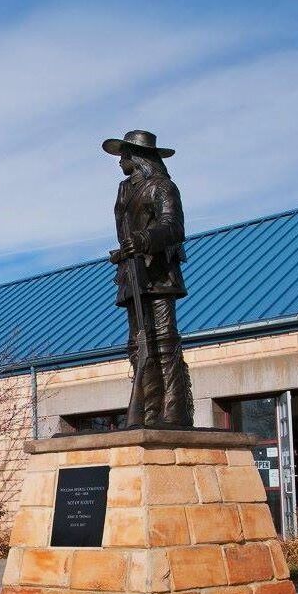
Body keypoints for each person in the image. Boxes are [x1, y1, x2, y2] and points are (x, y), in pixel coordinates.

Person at [104, 130, 194, 428]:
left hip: (158, 273)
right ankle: (148, 411)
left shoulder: (163, 186)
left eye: (125, 155)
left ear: (138, 157)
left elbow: (174, 227)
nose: (120, 161)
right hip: (132, 275)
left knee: (164, 341)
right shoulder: (124, 190)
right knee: (137, 345)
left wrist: (144, 239)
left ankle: (174, 412)